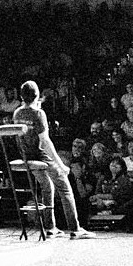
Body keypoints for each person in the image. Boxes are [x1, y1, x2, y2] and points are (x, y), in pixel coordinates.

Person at [13, 80, 95, 239]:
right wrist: (60, 164)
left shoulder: (17, 113)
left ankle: (50, 228)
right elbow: (45, 141)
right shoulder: (39, 114)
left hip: (25, 156)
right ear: (37, 95)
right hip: (40, 155)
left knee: (47, 186)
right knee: (65, 187)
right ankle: (75, 229)